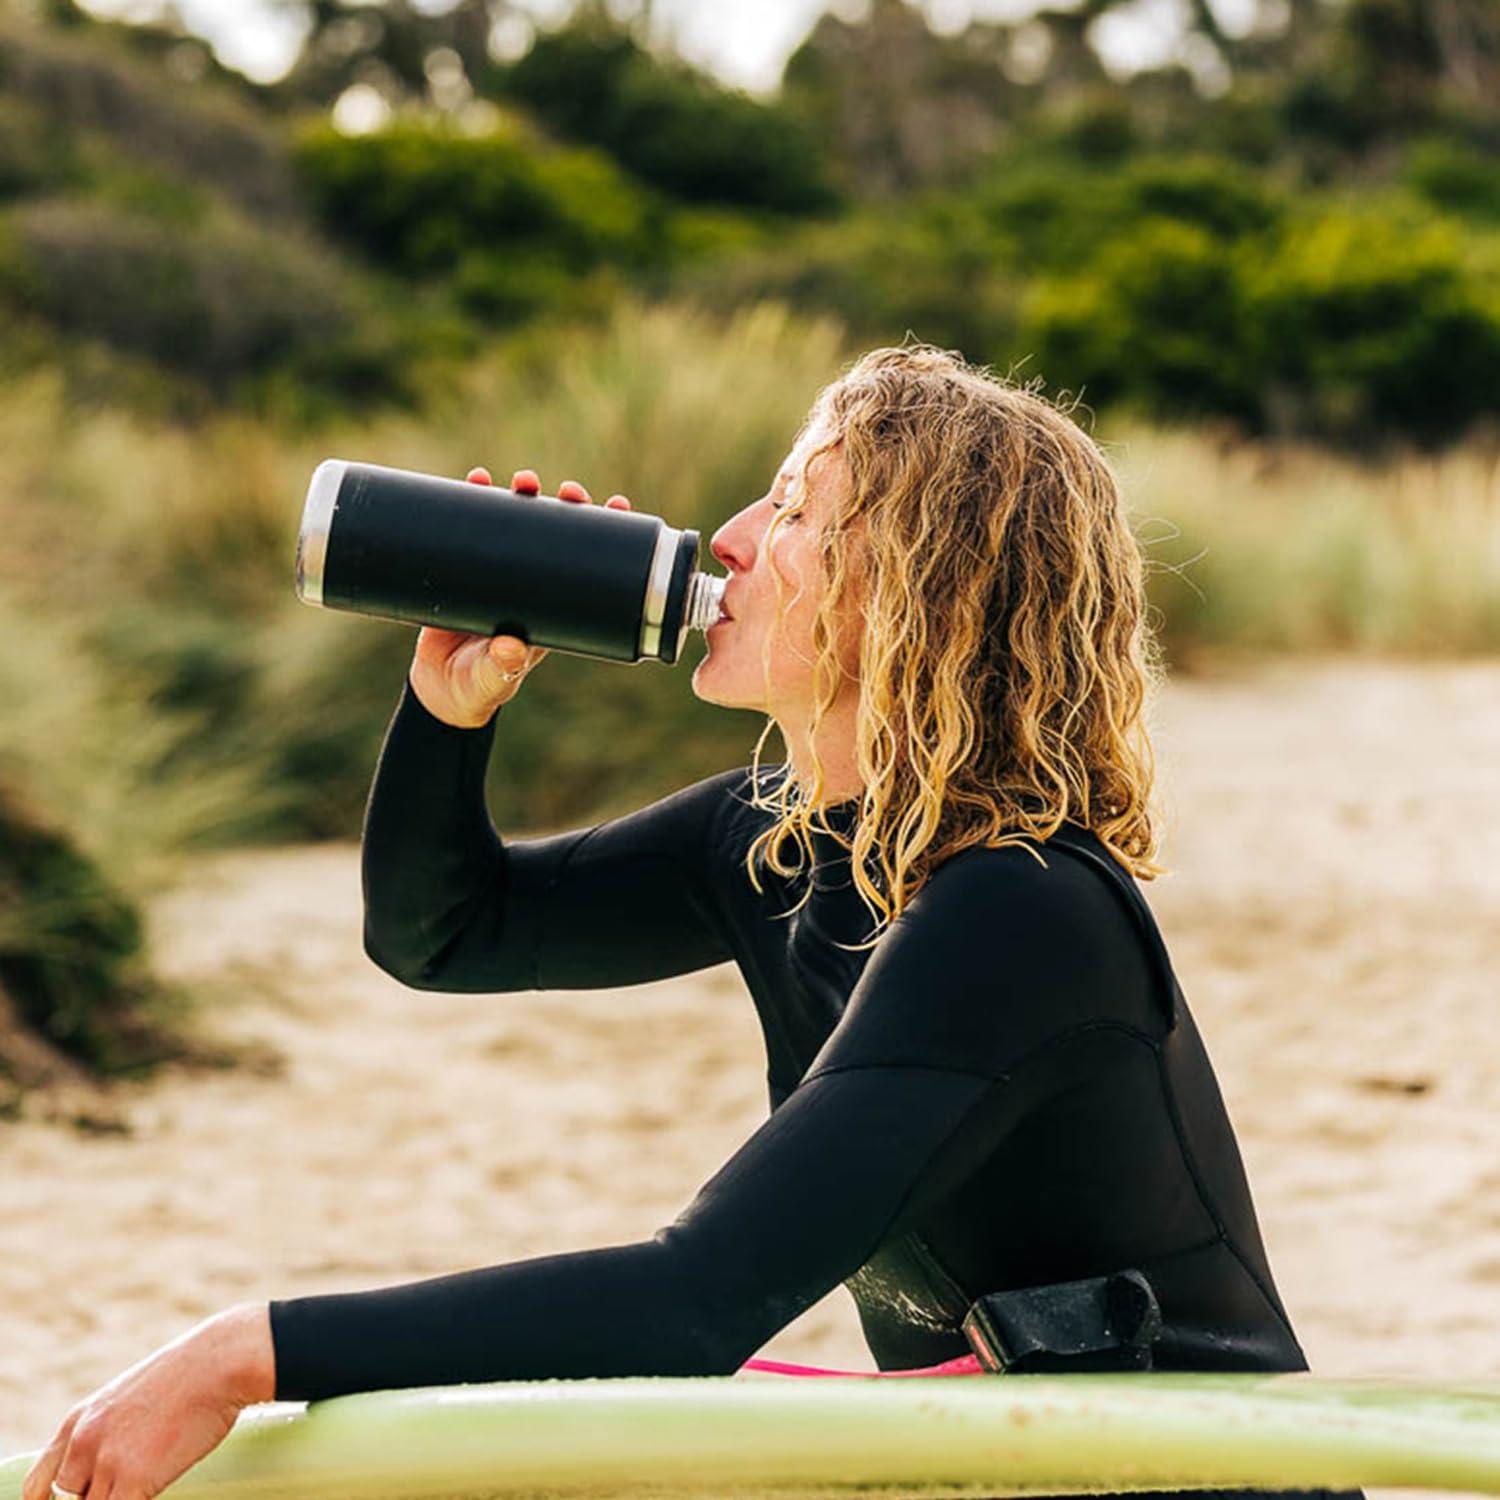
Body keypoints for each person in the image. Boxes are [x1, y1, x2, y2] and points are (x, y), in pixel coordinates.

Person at [23, 342, 1363, 1500]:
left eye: (791, 511)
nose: (724, 537)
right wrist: (449, 716)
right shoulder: (778, 837)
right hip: (1010, 1468)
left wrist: (244, 1349)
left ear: (909, 593)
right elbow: (448, 935)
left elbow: (696, 1300)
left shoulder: (1023, 907)